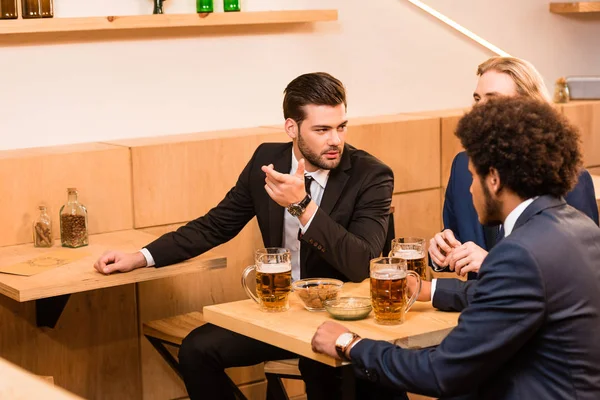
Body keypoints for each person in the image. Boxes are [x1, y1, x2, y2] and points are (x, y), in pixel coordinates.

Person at [93, 72, 401, 400]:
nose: (335, 140)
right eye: (322, 130)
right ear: (291, 129)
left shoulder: (371, 175)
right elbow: (216, 225)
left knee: (321, 370)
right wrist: (141, 256)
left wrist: (303, 206)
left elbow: (361, 262)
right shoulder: (268, 161)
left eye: (341, 127)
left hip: (340, 316)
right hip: (280, 310)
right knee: (197, 351)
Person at [311, 96, 600, 399]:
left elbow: (441, 372)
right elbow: (512, 294)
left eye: (473, 176)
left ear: (494, 180)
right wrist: (431, 290)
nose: (470, 188)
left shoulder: (520, 254)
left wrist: (350, 344)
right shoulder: (582, 228)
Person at [430, 56, 598, 280]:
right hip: (473, 307)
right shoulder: (463, 166)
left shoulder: (569, 178)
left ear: (528, 108)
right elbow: (459, 240)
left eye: (492, 100)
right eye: (477, 99)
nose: (479, 110)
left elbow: (583, 270)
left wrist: (491, 263)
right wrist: (443, 251)